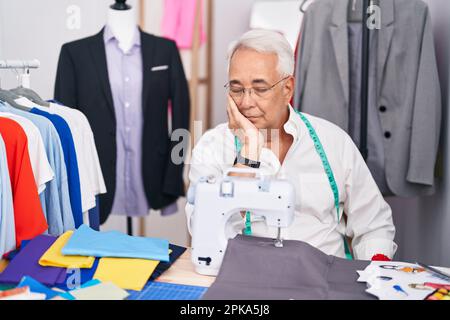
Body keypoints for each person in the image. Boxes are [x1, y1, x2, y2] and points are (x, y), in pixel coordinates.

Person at [185, 29, 397, 260]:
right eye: (237, 89)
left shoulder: (334, 141)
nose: (246, 102)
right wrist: (247, 157)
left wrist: (376, 273)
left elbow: (374, 225)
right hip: (248, 278)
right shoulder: (212, 148)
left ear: (287, 88)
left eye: (260, 89)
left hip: (325, 282)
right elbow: (204, 232)